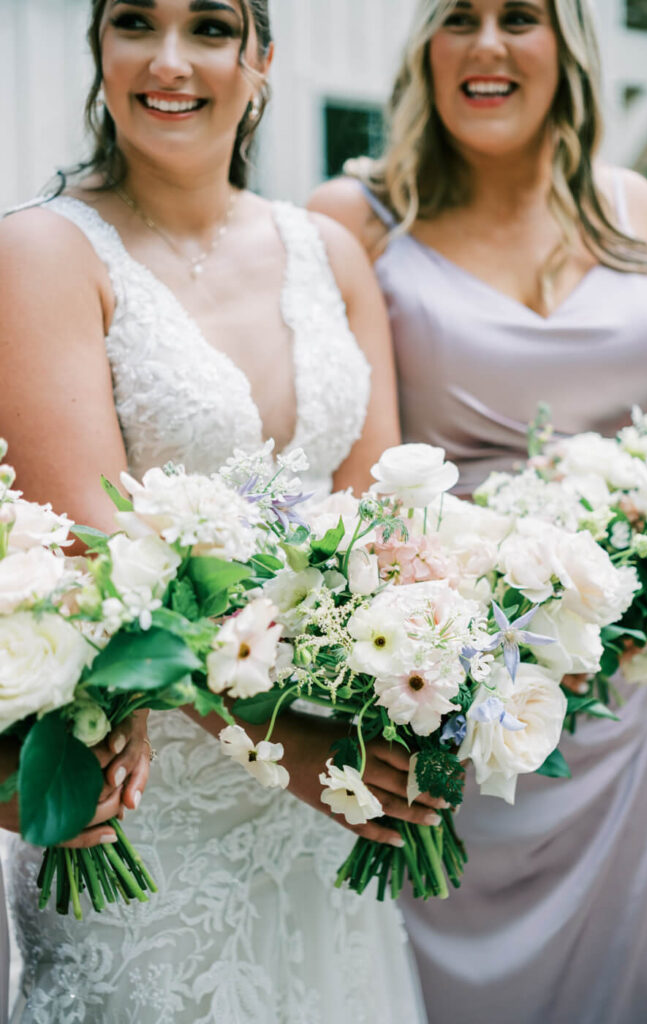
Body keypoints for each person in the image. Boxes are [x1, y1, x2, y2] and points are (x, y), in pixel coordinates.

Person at [0, 1, 433, 1020]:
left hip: (333, 792)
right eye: (134, 24)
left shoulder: (330, 251)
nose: (168, 61)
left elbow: (389, 523)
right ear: (99, 50)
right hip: (153, 799)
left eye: (208, 28)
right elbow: (102, 574)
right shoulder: (40, 254)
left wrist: (419, 699)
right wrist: (290, 751)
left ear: (261, 58)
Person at [309, 1, 647, 1022]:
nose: (485, 45)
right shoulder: (355, 219)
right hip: (449, 685)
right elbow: (357, 474)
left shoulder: (637, 213)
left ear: (565, 45)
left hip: (629, 703)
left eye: (519, 15)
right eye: (456, 17)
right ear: (422, 46)